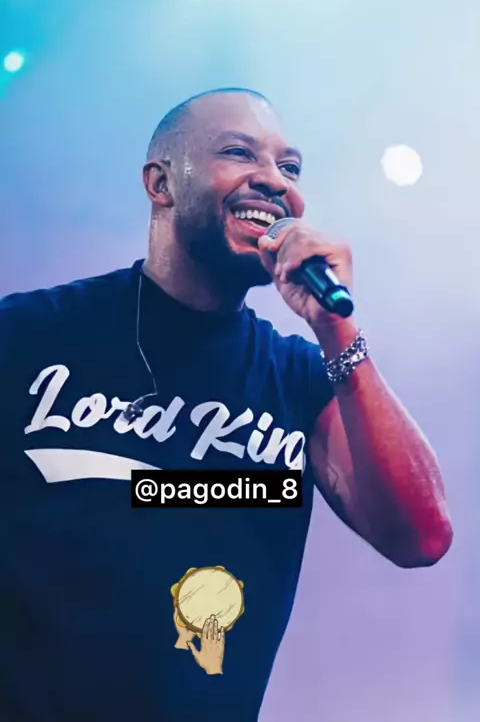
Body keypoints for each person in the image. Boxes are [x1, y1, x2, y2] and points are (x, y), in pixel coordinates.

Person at [0, 87, 452, 722]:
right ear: (161, 184)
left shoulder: (301, 377)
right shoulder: (28, 335)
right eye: (239, 153)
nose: (274, 180)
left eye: (290, 167)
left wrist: (338, 331)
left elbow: (422, 536)